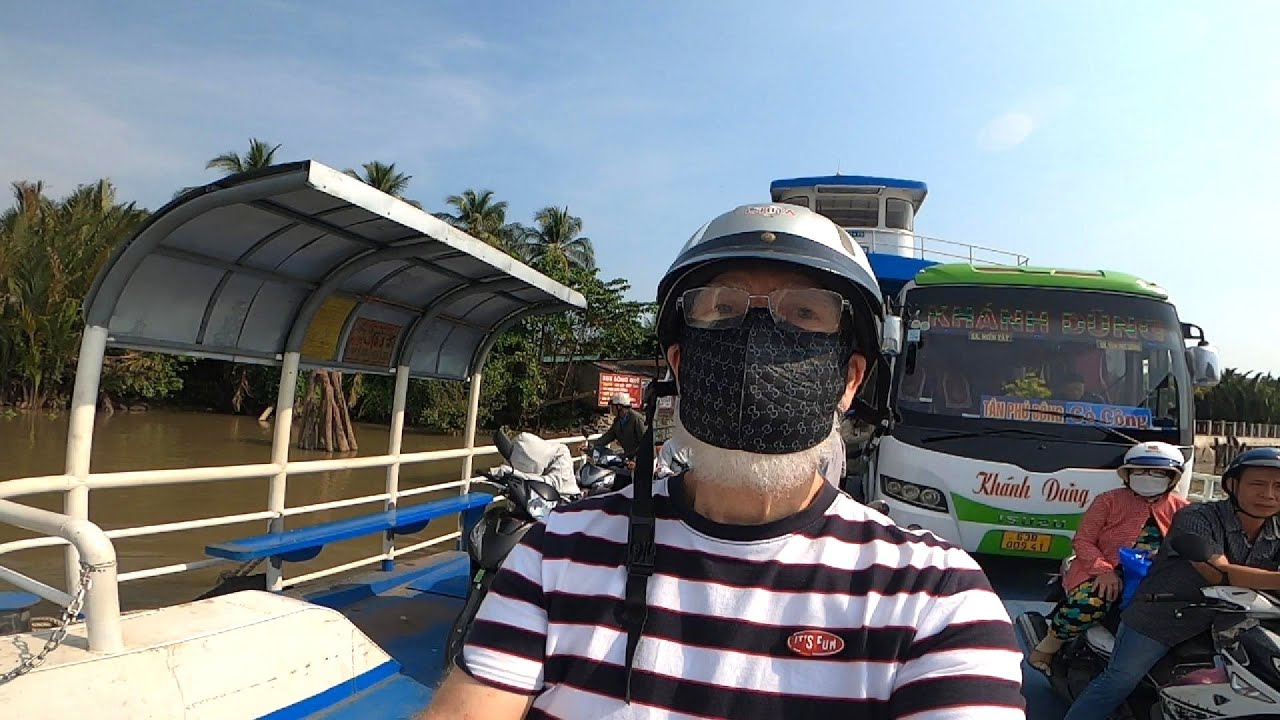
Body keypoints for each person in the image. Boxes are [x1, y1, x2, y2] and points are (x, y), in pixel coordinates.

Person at [419, 203, 1025, 719]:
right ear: (680, 366)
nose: (757, 338)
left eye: (804, 313)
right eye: (722, 310)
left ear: (850, 378)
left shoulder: (934, 597)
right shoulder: (554, 552)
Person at [1063, 446, 1280, 720]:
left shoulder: (1276, 526)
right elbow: (1217, 572)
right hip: (1166, 614)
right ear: (1232, 485)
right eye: (1258, 484)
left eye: (1279, 486)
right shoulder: (1196, 517)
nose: (1269, 495)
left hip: (1236, 619)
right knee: (1120, 680)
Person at [1028, 441, 1189, 673]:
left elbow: (1189, 544)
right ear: (1128, 475)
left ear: (1172, 478)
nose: (1148, 477)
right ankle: (1048, 646)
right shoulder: (1107, 500)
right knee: (1092, 601)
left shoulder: (1183, 509)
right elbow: (1083, 540)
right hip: (1105, 570)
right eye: (1140, 471)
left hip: (1157, 574)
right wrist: (1104, 571)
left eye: (1158, 473)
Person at [491, 429, 578, 499]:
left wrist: (513, 473)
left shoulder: (562, 453)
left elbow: (552, 484)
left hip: (566, 503)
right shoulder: (525, 449)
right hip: (535, 502)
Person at [586, 391, 648, 466]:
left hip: (642, 460)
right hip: (628, 459)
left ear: (619, 407)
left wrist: (636, 460)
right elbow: (608, 436)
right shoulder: (618, 421)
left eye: (612, 406)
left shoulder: (636, 419)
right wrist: (591, 446)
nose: (611, 409)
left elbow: (645, 443)